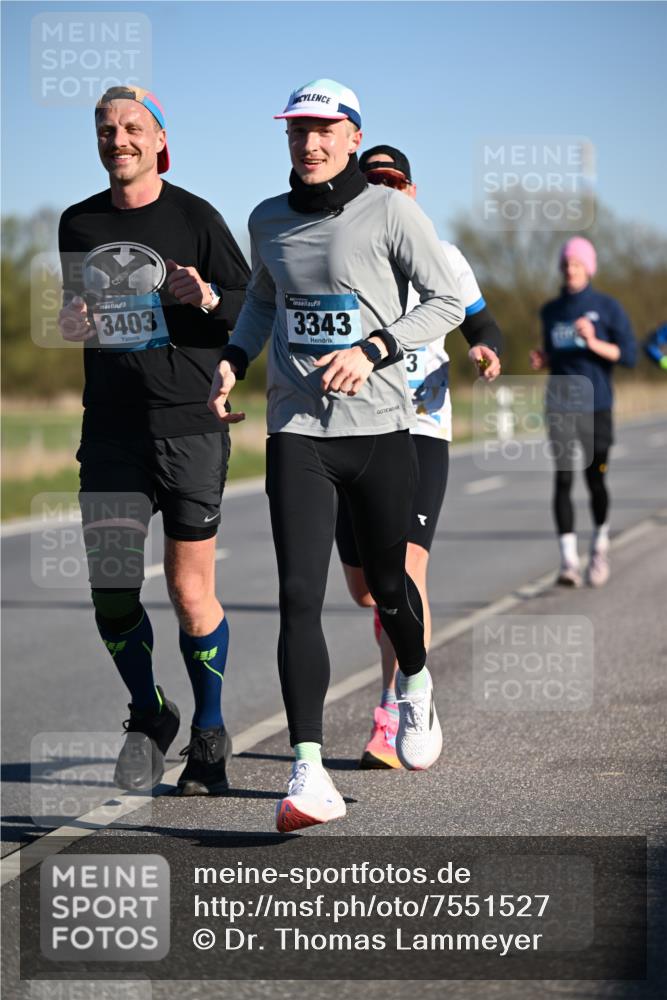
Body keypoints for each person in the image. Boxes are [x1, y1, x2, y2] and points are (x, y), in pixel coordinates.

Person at [208, 78, 466, 832]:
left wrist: (375, 348)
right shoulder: (267, 219)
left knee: (388, 588)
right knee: (299, 594)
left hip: (380, 427)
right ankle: (309, 771)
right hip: (297, 429)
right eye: (297, 130)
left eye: (323, 130)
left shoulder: (390, 211)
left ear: (353, 136)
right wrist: (234, 358)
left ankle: (415, 682)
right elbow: (264, 299)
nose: (309, 143)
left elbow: (446, 302)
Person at [57, 85, 250, 796]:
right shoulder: (78, 223)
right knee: (111, 590)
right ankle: (149, 711)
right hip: (111, 430)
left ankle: (209, 731)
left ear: (159, 139)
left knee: (189, 592)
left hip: (188, 425)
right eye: (106, 129)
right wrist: (72, 322)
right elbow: (76, 313)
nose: (119, 140)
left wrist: (206, 296)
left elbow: (249, 305)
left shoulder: (196, 217)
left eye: (133, 128)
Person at [334, 145, 502, 770]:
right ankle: (403, 682)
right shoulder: (342, 254)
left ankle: (400, 704)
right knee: (365, 590)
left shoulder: (444, 256)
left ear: (412, 190)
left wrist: (486, 350)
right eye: (372, 180)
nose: (384, 188)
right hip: (355, 427)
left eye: (394, 180)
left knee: (405, 570)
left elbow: (482, 325)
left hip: (423, 428)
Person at [530, 237, 636, 587]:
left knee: (595, 480)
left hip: (596, 406)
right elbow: (555, 353)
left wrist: (593, 341)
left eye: (576, 264)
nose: (569, 270)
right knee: (563, 479)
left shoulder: (607, 307)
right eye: (565, 264)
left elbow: (628, 355)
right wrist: (544, 359)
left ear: (588, 268)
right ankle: (568, 561)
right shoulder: (551, 310)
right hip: (560, 404)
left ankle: (600, 545)